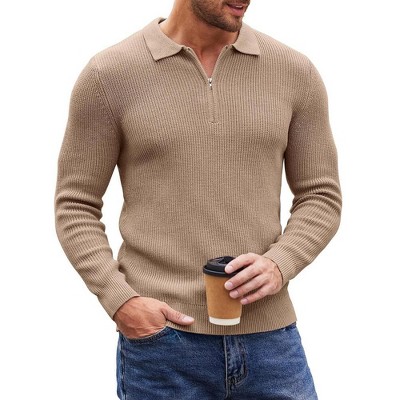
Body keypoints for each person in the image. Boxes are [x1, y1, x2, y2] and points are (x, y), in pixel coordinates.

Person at [55, 0, 342, 398]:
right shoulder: (110, 74)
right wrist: (121, 302)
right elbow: (76, 204)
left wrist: (281, 263)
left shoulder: (295, 71)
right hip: (162, 344)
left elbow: (320, 194)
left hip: (271, 343)